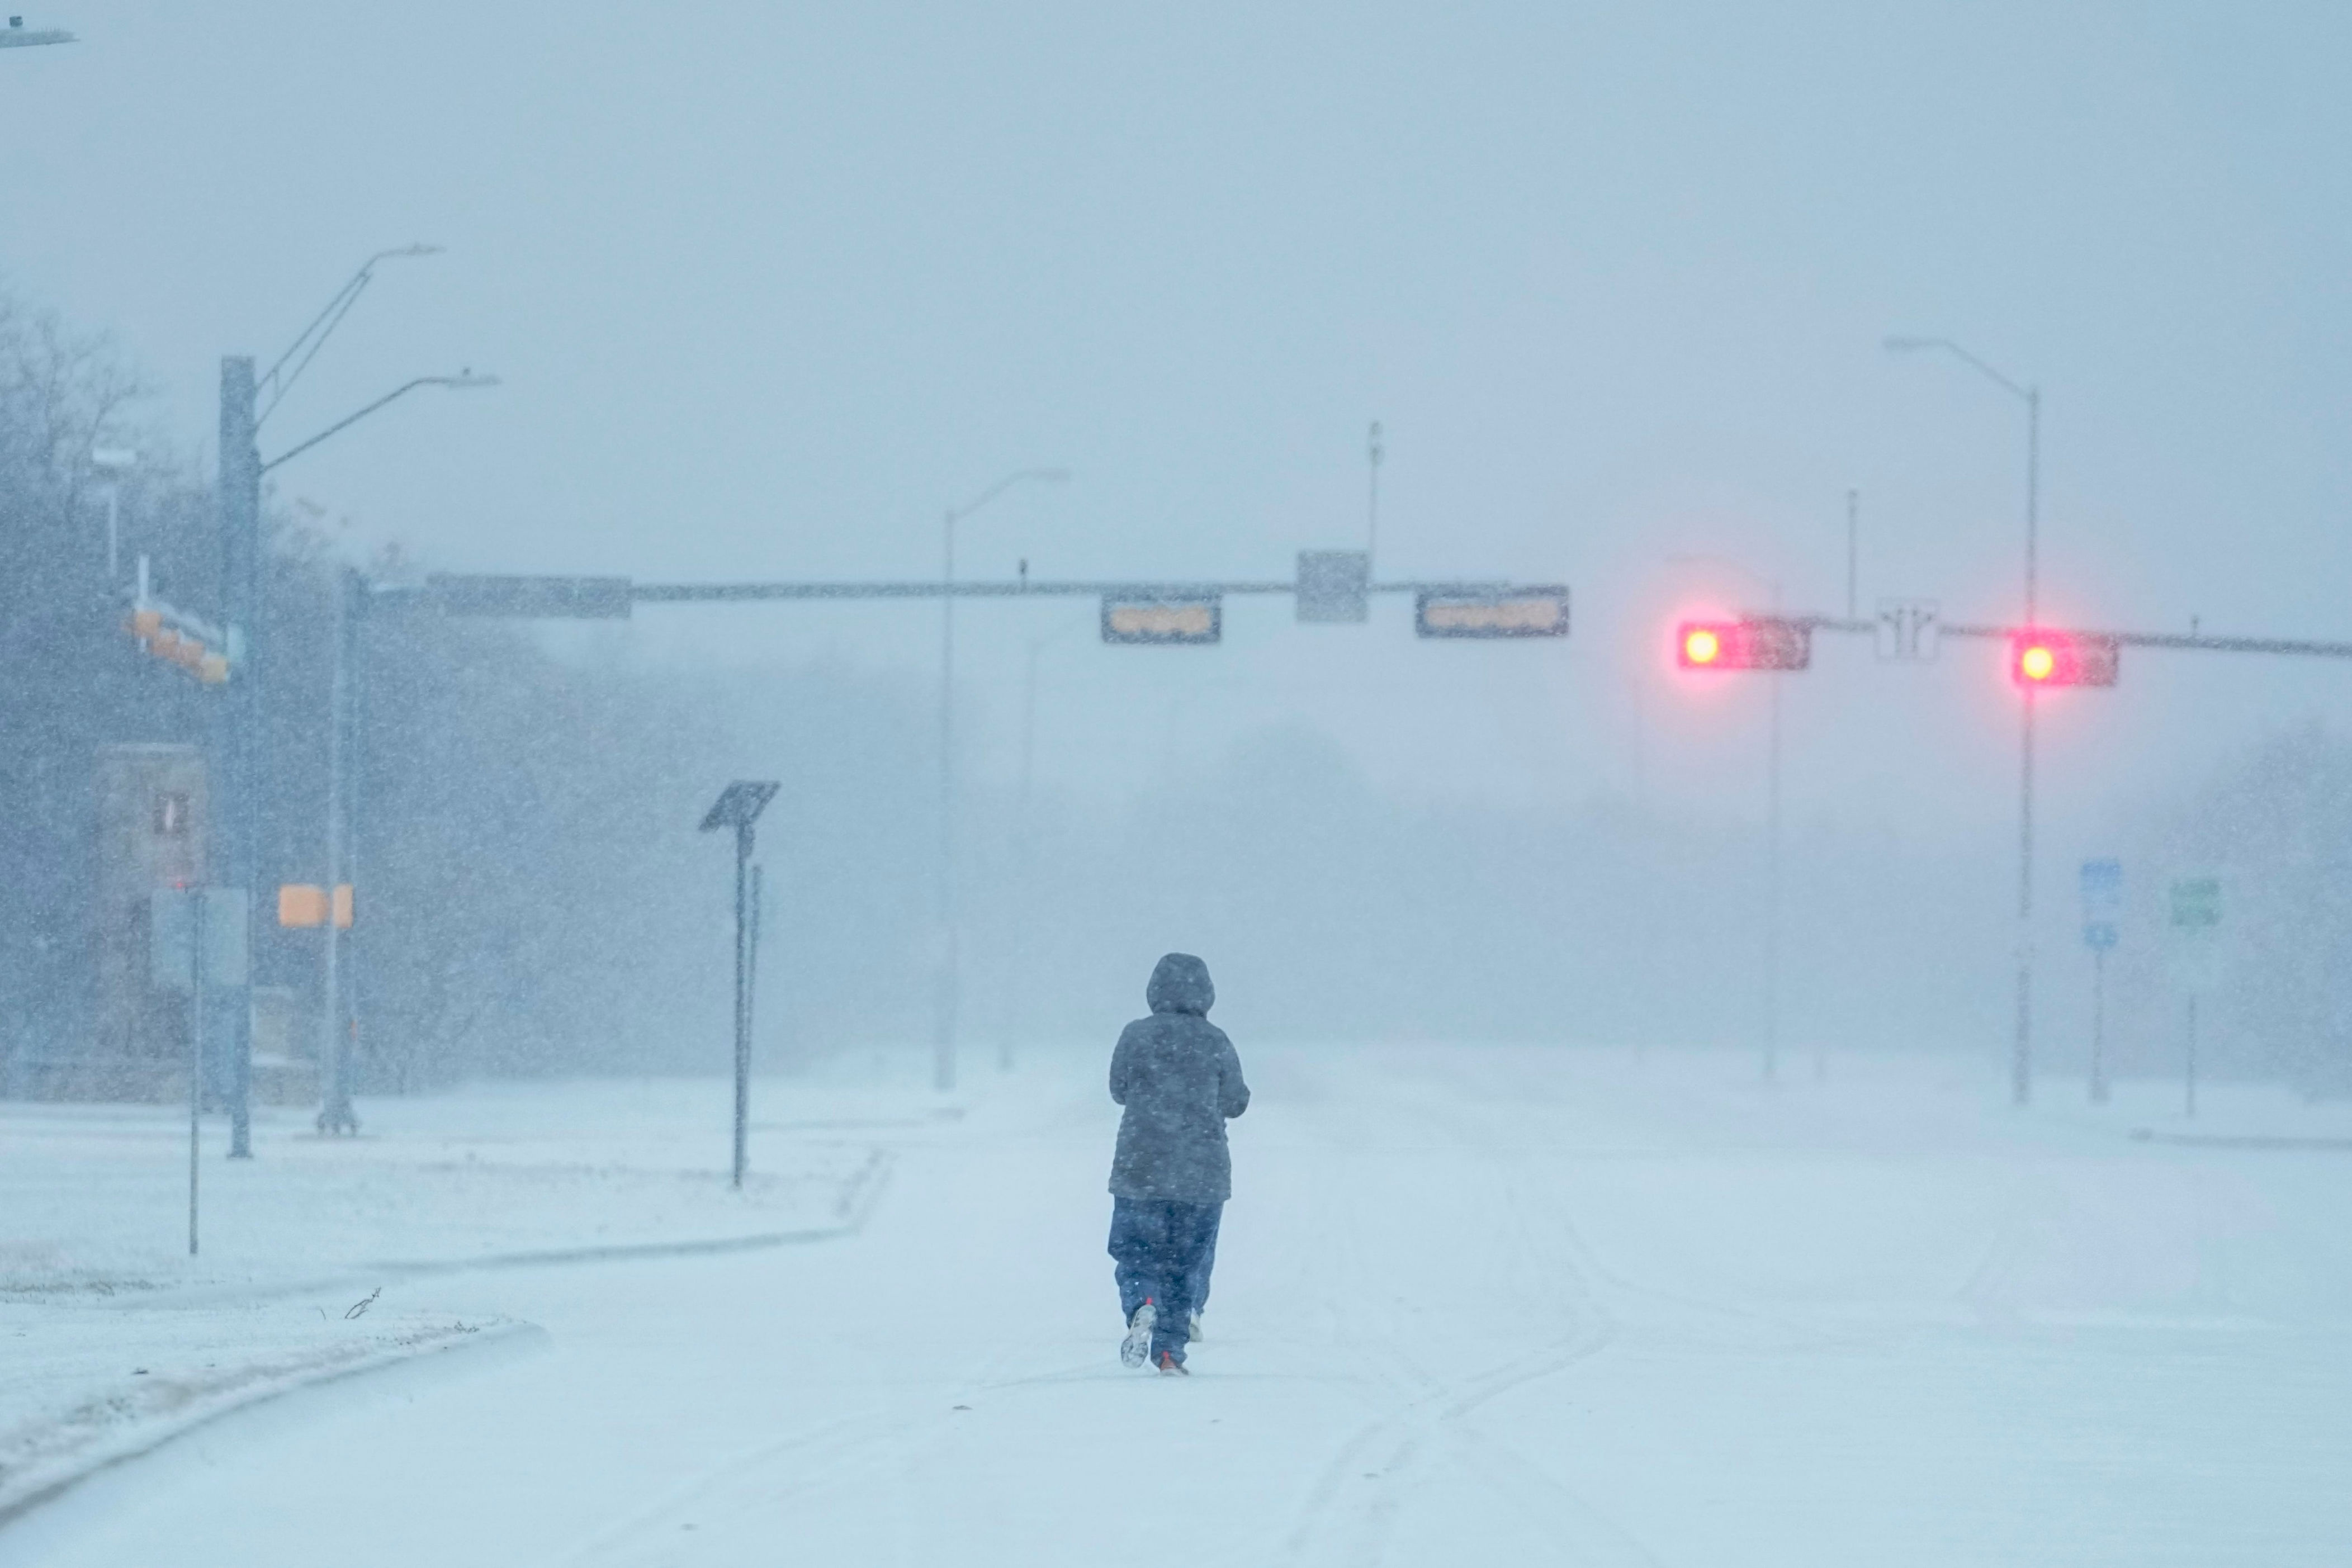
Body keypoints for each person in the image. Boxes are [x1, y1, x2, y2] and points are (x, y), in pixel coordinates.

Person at [1107, 952, 1248, 1374]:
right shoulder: (1215, 1040)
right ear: (1206, 993)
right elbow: (1235, 1102)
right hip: (1200, 1174)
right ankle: (1169, 1352)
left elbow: (1118, 1089)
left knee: (1136, 1254)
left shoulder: (1135, 1035)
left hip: (1140, 1168)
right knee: (1184, 1264)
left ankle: (1142, 1303)